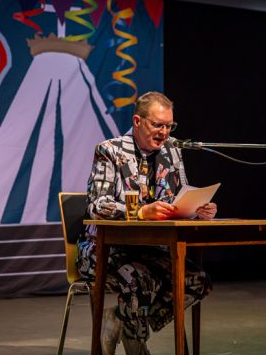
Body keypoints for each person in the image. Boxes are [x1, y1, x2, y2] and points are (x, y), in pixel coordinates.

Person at [76, 91, 218, 355]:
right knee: (140, 280)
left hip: (150, 249)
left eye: (169, 126)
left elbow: (179, 197)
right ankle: (135, 339)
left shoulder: (172, 150)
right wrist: (141, 212)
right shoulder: (110, 150)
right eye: (158, 125)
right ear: (137, 121)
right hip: (102, 250)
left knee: (197, 281)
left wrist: (197, 209)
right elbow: (96, 206)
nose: (164, 133)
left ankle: (123, 322)